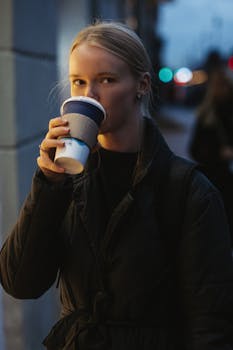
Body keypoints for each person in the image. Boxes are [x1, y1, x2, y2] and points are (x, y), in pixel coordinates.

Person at [1, 21, 233, 350]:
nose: (89, 95)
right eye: (78, 82)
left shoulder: (189, 191)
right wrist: (48, 183)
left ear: (141, 85)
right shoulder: (66, 181)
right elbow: (20, 282)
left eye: (106, 80)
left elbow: (211, 323)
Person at [189, 68, 233, 245]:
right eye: (217, 85)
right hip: (213, 178)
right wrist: (217, 154)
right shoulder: (206, 115)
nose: (220, 89)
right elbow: (194, 149)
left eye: (224, 85)